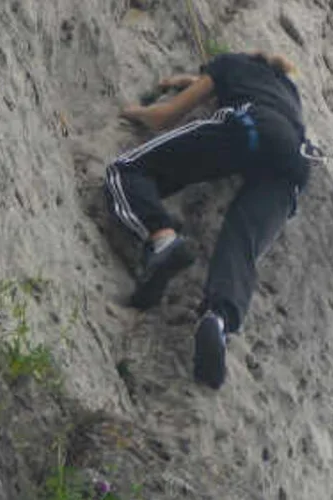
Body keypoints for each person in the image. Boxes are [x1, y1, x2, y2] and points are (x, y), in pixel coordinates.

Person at [105, 50, 313, 389]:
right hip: (295, 165)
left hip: (251, 127)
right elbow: (243, 91)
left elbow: (165, 116)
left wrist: (135, 112)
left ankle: (162, 238)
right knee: (241, 243)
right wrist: (195, 81)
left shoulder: (229, 63)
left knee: (126, 170)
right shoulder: (288, 91)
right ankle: (218, 319)